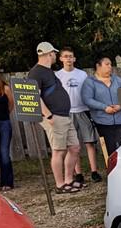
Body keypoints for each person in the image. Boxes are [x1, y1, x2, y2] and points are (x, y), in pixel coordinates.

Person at [28, 42, 81, 194]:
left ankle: (69, 179)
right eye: (54, 54)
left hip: (64, 115)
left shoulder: (48, 71)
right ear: (49, 53)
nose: (55, 57)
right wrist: (48, 114)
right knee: (58, 150)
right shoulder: (36, 72)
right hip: (54, 116)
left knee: (74, 147)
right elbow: (35, 96)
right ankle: (60, 184)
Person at [57, 47, 102, 182]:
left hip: (83, 110)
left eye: (70, 56)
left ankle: (94, 171)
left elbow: (89, 91)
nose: (68, 59)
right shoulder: (58, 75)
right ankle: (78, 173)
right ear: (61, 59)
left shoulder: (82, 74)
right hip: (67, 112)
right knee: (73, 145)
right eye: (65, 56)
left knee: (89, 142)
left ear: (74, 58)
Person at [81, 55, 121, 154]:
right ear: (98, 66)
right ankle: (111, 168)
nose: (110, 66)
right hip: (103, 121)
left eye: (110, 64)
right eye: (107, 64)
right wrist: (104, 107)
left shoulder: (118, 80)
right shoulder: (90, 82)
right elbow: (87, 99)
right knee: (109, 149)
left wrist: (120, 106)